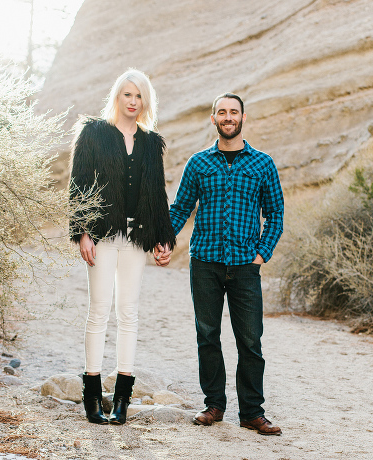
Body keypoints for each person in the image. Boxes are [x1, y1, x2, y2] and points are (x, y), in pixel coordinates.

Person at [164, 93, 285, 435]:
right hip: (204, 262)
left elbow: (275, 214)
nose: (228, 117)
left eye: (234, 112)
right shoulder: (199, 163)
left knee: (250, 340)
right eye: (222, 112)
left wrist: (263, 251)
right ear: (213, 118)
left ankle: (252, 412)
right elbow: (180, 209)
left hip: (246, 265)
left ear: (243, 118)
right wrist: (164, 241)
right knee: (208, 335)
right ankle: (214, 405)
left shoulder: (262, 163)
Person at [68, 68, 175, 425]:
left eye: (139, 96)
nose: (133, 101)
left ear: (146, 101)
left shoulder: (150, 141)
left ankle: (123, 400)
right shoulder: (94, 133)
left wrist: (163, 238)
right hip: (100, 235)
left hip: (136, 236)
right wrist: (81, 231)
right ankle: (92, 395)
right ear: (117, 95)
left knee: (128, 313)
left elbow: (157, 194)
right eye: (128, 94)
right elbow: (79, 184)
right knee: (98, 311)